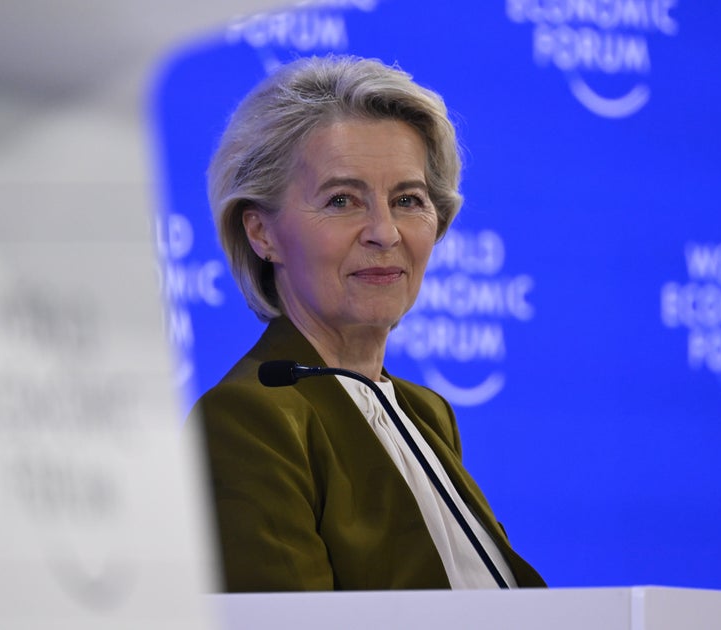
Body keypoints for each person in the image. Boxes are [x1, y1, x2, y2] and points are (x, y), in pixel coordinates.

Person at [193, 55, 546, 592]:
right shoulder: (248, 421)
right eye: (342, 200)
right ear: (262, 233)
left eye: (407, 200)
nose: (385, 231)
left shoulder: (426, 413)